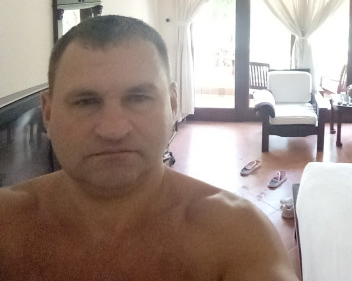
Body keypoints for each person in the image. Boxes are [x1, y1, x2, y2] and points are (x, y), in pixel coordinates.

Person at [0, 15, 298, 280]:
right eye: (85, 102)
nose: (113, 130)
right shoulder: (6, 224)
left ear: (172, 104)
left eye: (139, 98)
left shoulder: (235, 234)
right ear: (48, 112)